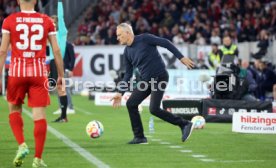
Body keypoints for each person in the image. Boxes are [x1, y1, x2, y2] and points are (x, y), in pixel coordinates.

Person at [0, 0, 64, 167]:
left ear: (18, 1)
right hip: (39, 73)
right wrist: (61, 75)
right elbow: (56, 50)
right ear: (35, 1)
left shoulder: (9, 20)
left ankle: (21, 145)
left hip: (17, 72)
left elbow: (2, 51)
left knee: (14, 109)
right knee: (39, 116)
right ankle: (37, 158)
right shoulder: (47, 20)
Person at [111, 23, 195, 144]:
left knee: (154, 109)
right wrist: (120, 92)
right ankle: (139, 137)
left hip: (159, 77)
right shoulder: (127, 52)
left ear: (127, 33)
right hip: (146, 81)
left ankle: (185, 124)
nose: (117, 38)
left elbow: (166, 43)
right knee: (131, 103)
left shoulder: (144, 39)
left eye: (119, 35)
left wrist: (181, 57)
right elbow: (128, 75)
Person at [49, 0, 71, 122]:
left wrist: (59, 2)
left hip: (59, 61)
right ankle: (63, 116)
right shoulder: (50, 35)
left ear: (57, 23)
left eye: (53, 22)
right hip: (52, 61)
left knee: (61, 88)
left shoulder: (62, 32)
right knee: (58, 88)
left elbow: (61, 15)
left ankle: (63, 116)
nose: (51, 24)